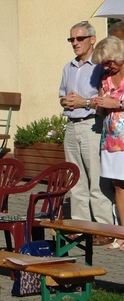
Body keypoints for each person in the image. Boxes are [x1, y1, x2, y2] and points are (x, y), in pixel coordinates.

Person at [59, 21, 113, 244]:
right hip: (71, 125)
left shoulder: (100, 67)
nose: (75, 43)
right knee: (76, 179)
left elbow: (106, 102)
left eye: (79, 39)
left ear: (92, 39)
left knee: (96, 178)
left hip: (92, 124)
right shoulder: (68, 67)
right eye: (71, 39)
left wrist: (84, 102)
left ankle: (104, 228)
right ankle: (81, 226)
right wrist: (66, 101)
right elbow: (61, 96)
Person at [92, 36, 124, 249]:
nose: (107, 66)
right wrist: (100, 104)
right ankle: (122, 234)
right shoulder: (104, 77)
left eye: (110, 62)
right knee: (118, 187)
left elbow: (116, 102)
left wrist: (118, 103)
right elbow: (102, 108)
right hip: (112, 137)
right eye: (104, 63)